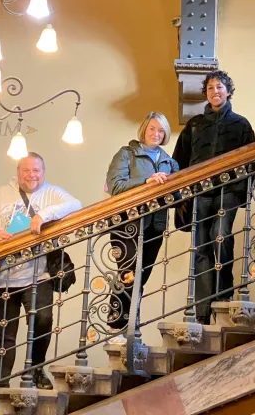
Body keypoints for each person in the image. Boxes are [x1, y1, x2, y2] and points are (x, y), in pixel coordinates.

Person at [0, 153, 82, 411]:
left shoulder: (52, 193)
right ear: (18, 171)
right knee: (4, 336)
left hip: (39, 274)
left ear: (43, 172)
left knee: (43, 320)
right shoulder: (0, 194)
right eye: (26, 170)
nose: (31, 175)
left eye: (36, 170)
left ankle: (35, 369)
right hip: (3, 278)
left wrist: (43, 214)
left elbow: (76, 204)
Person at [173, 70, 255, 325]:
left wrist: (243, 192)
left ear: (228, 91)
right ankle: (202, 309)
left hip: (227, 191)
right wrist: (181, 197)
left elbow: (250, 161)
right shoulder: (195, 124)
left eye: (219, 87)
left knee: (221, 237)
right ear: (206, 93)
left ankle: (222, 296)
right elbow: (179, 162)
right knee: (201, 248)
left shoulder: (241, 124)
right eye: (210, 88)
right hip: (199, 193)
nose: (215, 91)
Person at [104, 112, 179, 341]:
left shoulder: (170, 161)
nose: (156, 134)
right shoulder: (126, 154)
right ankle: (118, 326)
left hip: (154, 224)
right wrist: (146, 182)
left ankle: (129, 326)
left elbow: (177, 194)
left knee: (141, 276)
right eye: (152, 129)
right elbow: (115, 186)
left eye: (161, 131)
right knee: (128, 273)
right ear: (144, 130)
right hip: (126, 222)